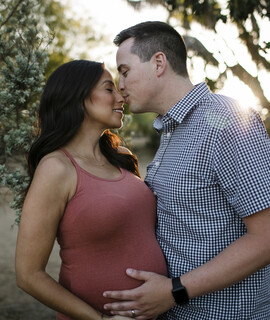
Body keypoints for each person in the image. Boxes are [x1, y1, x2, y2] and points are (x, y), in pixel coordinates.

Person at [102, 21, 270, 319]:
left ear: (159, 63)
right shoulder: (170, 129)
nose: (120, 84)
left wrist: (174, 291)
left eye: (124, 71)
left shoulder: (226, 121)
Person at [15, 59, 168, 320]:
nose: (121, 97)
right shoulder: (56, 168)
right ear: (77, 97)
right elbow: (28, 275)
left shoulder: (121, 156)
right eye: (109, 89)